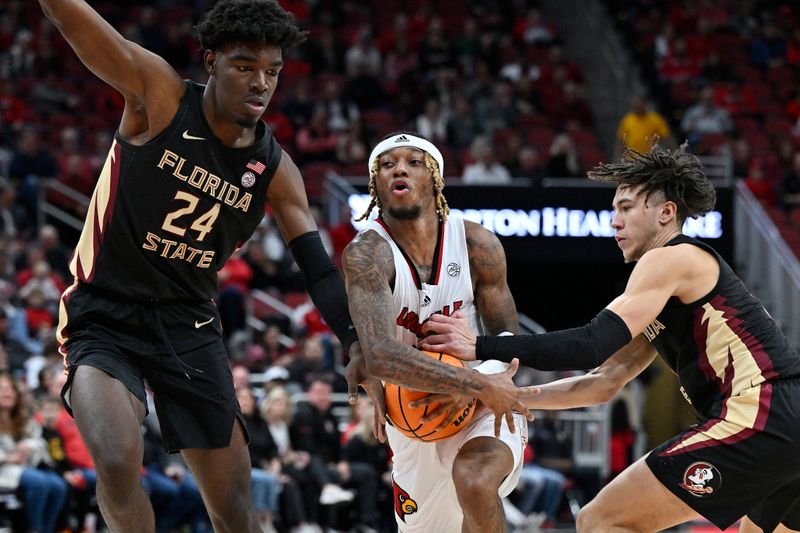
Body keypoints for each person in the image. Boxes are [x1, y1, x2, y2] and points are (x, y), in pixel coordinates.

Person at [39, 1, 361, 531]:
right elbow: (71, 20)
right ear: (210, 61)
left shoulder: (276, 171)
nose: (260, 83)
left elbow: (319, 273)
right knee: (119, 461)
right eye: (244, 66)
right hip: (104, 314)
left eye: (272, 72)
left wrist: (352, 338)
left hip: (188, 324)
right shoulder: (160, 97)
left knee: (234, 509)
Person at [420, 144, 800, 533]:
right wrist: (510, 398)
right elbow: (603, 382)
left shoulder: (671, 257)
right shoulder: (667, 295)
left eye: (627, 207)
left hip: (762, 411)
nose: (614, 221)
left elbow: (590, 343)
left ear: (666, 213)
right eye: (614, 209)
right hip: (785, 422)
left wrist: (480, 346)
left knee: (600, 519)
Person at [342, 132, 531, 533]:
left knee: (476, 481)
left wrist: (483, 382)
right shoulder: (367, 254)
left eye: (414, 161)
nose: (400, 169)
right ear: (376, 183)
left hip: (483, 401)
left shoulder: (477, 243)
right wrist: (466, 381)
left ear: (435, 179)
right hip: (411, 410)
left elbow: (506, 333)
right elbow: (380, 356)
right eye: (388, 164)